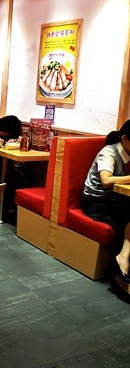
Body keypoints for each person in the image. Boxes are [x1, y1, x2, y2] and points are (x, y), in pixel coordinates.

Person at [81, 121, 130, 302]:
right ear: (125, 139)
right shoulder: (109, 152)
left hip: (117, 199)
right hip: (96, 200)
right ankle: (118, 276)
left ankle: (123, 262)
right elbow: (106, 181)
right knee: (123, 220)